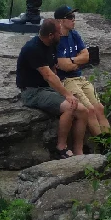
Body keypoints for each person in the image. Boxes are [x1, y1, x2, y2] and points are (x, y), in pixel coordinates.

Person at [16, 18, 90, 158]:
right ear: (51, 35)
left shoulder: (52, 45)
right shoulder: (33, 49)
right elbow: (48, 76)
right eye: (59, 32)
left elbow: (54, 70)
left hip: (47, 89)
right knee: (70, 106)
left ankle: (78, 151)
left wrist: (63, 90)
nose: (61, 34)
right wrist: (67, 94)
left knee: (83, 111)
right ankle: (61, 147)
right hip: (32, 91)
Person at [54, 6, 111, 137]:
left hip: (79, 78)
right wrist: (76, 61)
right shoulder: (56, 40)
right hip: (66, 80)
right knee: (89, 110)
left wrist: (72, 60)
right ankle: (103, 147)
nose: (73, 20)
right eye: (70, 17)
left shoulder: (74, 34)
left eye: (74, 17)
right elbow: (64, 66)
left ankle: (110, 144)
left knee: (99, 108)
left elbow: (86, 56)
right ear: (60, 21)